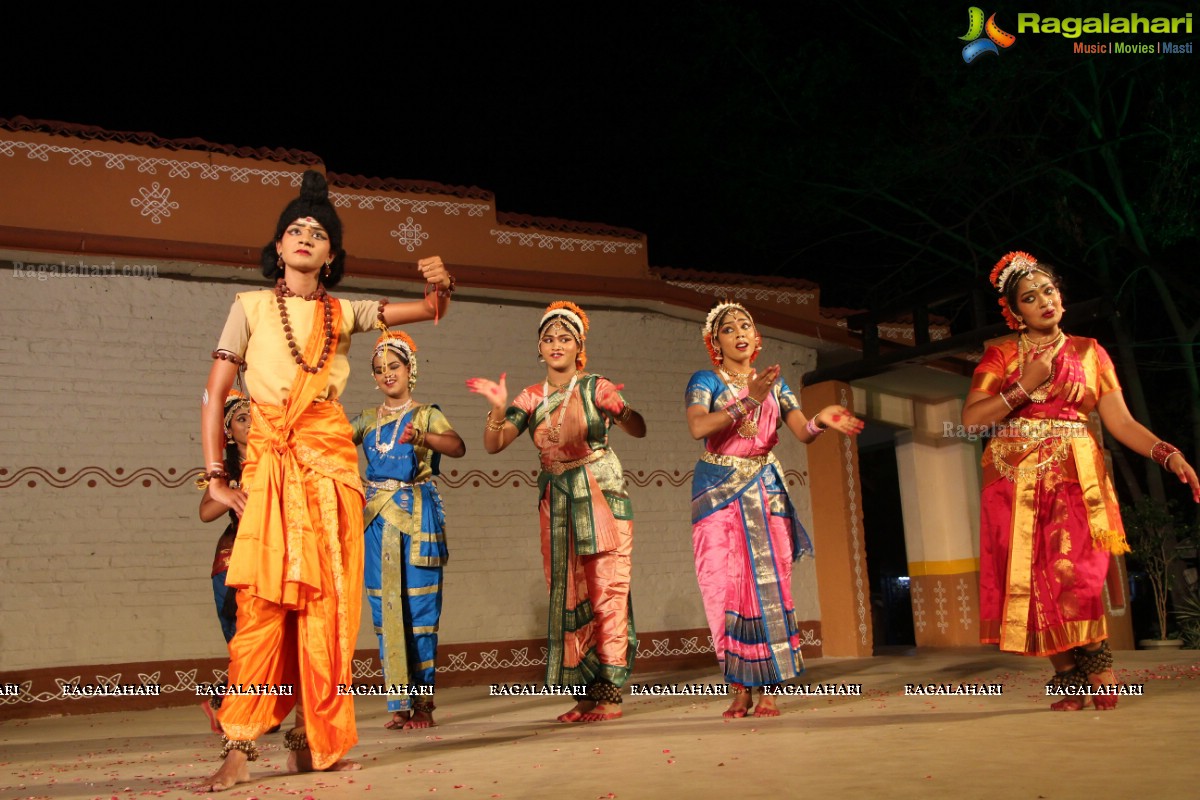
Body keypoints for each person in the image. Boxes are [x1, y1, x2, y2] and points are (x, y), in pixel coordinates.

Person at [200, 170, 455, 791]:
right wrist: (214, 476)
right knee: (262, 605)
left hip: (331, 466)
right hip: (271, 464)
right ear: (279, 247)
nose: (306, 238)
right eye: (296, 230)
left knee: (329, 607)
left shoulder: (343, 312)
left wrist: (438, 288)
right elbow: (215, 393)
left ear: (332, 254)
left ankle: (313, 740)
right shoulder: (250, 306)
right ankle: (239, 744)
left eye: (318, 233)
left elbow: (422, 311)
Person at [961, 250, 1199, 710]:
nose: (1044, 301)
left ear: (1060, 296)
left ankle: (1100, 667)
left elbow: (1122, 423)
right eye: (1030, 298)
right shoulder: (1002, 354)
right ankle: (1068, 679)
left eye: (1048, 290)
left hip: (1076, 476)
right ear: (1015, 312)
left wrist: (1168, 455)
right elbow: (971, 421)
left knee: (1079, 575)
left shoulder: (1091, 352)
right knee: (1035, 580)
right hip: (1014, 478)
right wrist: (1024, 385)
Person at [467, 301, 646, 722]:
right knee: (567, 592)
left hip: (602, 493)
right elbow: (495, 443)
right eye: (548, 339)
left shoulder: (596, 387)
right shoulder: (531, 396)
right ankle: (584, 692)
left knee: (607, 589)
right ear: (539, 348)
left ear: (579, 346)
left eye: (564, 338)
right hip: (557, 501)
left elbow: (638, 427)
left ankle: (610, 693)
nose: (555, 345)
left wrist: (621, 411)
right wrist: (496, 406)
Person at [685, 301, 863, 718]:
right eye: (728, 329)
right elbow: (698, 427)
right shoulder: (705, 380)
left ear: (756, 336)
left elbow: (801, 431)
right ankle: (738, 688)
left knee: (770, 583)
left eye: (745, 325)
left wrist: (822, 419)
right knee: (723, 586)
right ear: (716, 342)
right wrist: (750, 399)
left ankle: (769, 687)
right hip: (718, 493)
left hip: (765, 490)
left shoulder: (775, 384)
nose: (739, 332)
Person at [350, 329, 465, 730]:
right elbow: (330, 444)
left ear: (409, 370)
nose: (387, 375)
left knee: (419, 611)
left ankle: (424, 706)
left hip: (416, 518)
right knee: (385, 612)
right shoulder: (365, 420)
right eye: (380, 369)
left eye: (394, 366)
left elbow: (456, 446)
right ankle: (397, 703)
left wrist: (424, 437)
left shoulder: (425, 414)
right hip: (376, 522)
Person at [197, 389, 251, 733]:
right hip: (233, 563)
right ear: (229, 429)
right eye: (243, 419)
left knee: (267, 640)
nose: (252, 425)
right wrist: (232, 491)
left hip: (272, 558)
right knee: (243, 642)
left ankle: (251, 706)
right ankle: (225, 703)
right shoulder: (227, 469)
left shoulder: (276, 458)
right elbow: (205, 512)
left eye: (256, 417)